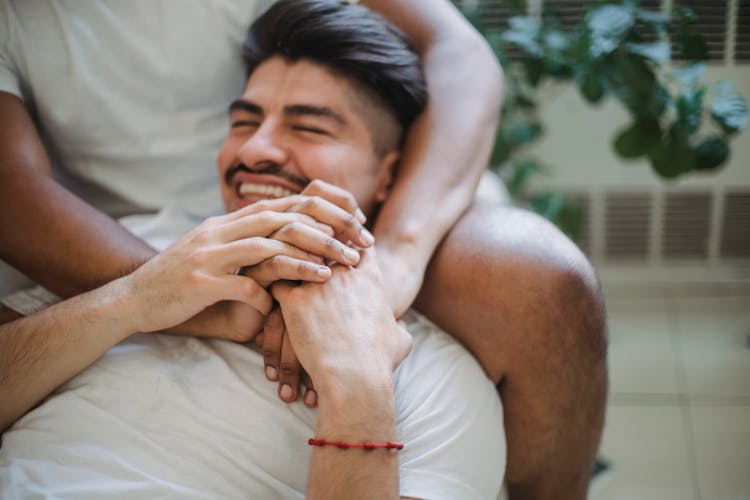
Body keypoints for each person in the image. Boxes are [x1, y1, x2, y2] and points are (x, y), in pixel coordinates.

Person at [0, 0, 607, 498]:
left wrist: (361, 372)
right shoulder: (91, 295)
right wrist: (141, 296)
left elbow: (460, 52)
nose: (256, 149)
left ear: (389, 176)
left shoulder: (432, 377)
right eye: (241, 122)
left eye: (310, 126)